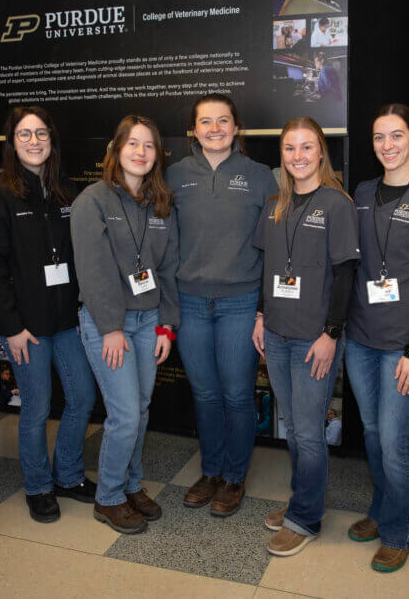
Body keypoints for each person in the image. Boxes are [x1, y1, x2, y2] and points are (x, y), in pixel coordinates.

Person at [343, 104, 409, 573]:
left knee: (394, 441)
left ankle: (401, 529)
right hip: (360, 339)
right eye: (379, 137)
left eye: (396, 136)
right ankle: (383, 507)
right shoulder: (362, 192)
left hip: (402, 347)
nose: (387, 145)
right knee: (371, 433)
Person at [0, 106, 98, 525]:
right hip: (26, 326)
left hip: (66, 320)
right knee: (37, 408)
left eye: (41, 133)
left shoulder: (65, 190)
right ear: (11, 142)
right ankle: (38, 487)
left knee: (82, 397)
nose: (33, 141)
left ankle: (66, 475)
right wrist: (10, 327)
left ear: (52, 139)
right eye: (24, 134)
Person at [252, 117, 359, 557]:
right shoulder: (275, 204)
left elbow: (346, 273)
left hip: (315, 339)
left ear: (320, 153)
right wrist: (260, 315)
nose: (298, 156)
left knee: (310, 431)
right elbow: (267, 267)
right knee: (293, 426)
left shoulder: (337, 204)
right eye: (290, 148)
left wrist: (331, 334)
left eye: (307, 147)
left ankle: (305, 519)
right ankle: (302, 501)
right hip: (276, 334)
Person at [166, 95, 277, 516]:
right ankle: (210, 470)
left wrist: (264, 309)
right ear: (193, 130)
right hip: (191, 303)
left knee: (236, 395)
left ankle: (234, 476)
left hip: (240, 302)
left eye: (223, 120)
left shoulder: (260, 177)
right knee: (205, 395)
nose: (215, 128)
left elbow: (274, 246)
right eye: (205, 122)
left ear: (236, 127)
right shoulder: (175, 175)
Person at [71, 115, 179, 535]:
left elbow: (168, 269)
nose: (140, 152)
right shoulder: (92, 201)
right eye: (132, 144)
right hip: (108, 323)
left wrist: (167, 326)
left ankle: (132, 486)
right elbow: (93, 271)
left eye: (149, 145)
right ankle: (110, 497)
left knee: (140, 410)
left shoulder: (160, 203)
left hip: (149, 319)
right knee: (124, 415)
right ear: (115, 151)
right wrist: (111, 327)